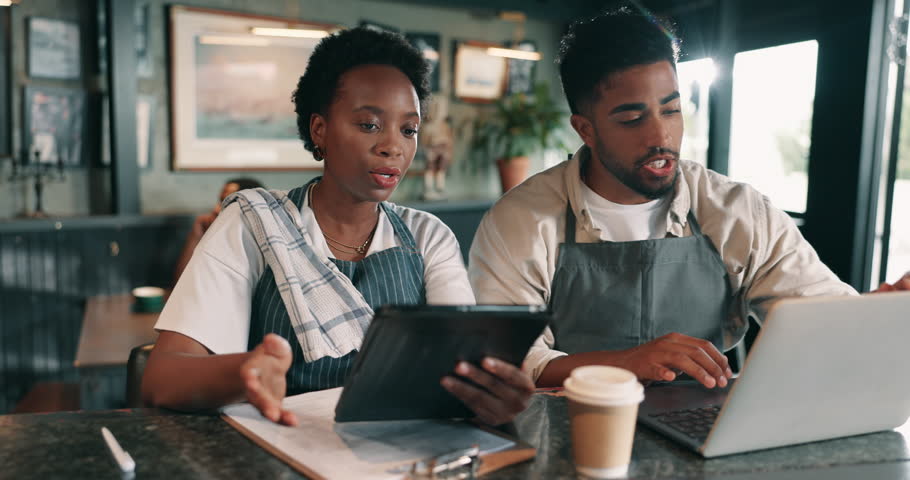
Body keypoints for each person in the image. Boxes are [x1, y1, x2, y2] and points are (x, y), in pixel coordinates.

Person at [468, 7, 910, 390]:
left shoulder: (737, 210)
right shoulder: (520, 220)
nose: (660, 136)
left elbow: (816, 316)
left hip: (707, 424)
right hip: (570, 426)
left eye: (671, 109)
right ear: (585, 129)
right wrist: (626, 364)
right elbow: (508, 361)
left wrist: (876, 314)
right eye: (632, 118)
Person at [143, 27, 535, 426]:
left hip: (403, 449)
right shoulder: (252, 223)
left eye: (409, 130)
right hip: (281, 444)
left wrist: (490, 393)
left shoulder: (427, 236)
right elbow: (162, 378)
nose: (393, 146)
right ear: (320, 129)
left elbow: (458, 368)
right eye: (369, 125)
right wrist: (244, 372)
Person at [173, 178, 263, 285]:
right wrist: (196, 235)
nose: (216, 209)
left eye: (226, 203)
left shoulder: (255, 245)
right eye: (220, 201)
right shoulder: (216, 234)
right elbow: (182, 283)